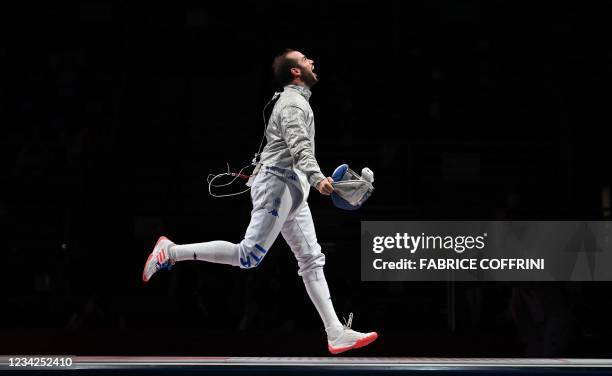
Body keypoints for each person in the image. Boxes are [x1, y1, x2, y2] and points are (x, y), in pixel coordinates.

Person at [142, 49, 378, 354]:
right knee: (248, 255)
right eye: (306, 60)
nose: (312, 63)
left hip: (293, 188)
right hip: (278, 183)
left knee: (311, 258)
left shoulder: (296, 102)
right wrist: (318, 177)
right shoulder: (293, 104)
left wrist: (311, 179)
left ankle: (335, 332)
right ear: (295, 71)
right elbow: (299, 146)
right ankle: (170, 252)